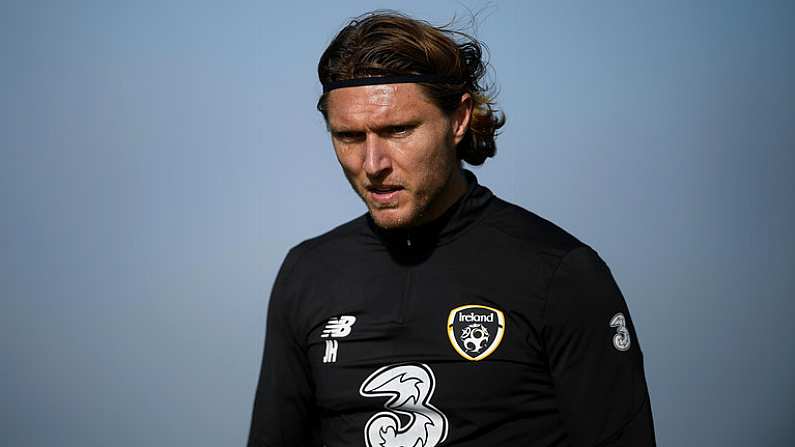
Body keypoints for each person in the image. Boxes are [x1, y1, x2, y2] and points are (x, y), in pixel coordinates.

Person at [248, 10, 655, 447]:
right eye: (348, 137)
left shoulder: (561, 275)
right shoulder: (309, 274)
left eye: (398, 130)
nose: (372, 165)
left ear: (458, 119)